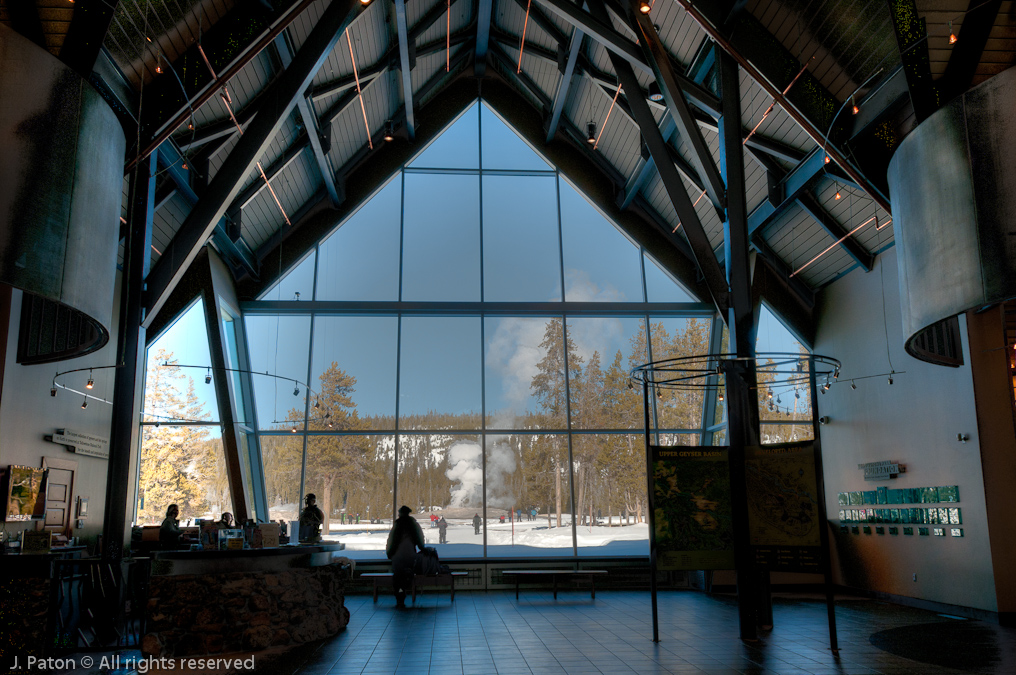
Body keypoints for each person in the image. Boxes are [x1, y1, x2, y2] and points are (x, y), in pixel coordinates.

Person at [386, 505, 425, 608]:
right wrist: (423, 549)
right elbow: (420, 540)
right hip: (410, 556)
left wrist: (389, 553)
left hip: (398, 557)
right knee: (407, 576)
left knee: (398, 579)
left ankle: (400, 598)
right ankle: (406, 592)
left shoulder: (397, 525)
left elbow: (391, 541)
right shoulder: (413, 525)